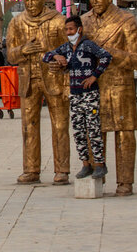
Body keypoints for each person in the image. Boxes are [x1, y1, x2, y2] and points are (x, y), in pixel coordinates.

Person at [81, 0, 137, 196]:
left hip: (119, 86)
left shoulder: (126, 20)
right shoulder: (83, 22)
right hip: (92, 86)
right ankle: (97, 180)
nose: (95, 2)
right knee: (93, 133)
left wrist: (109, 53)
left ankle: (125, 181)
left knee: (124, 134)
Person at [6, 0, 70, 185]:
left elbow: (71, 52)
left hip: (54, 79)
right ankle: (31, 169)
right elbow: (10, 56)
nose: (30, 4)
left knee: (60, 125)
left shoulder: (58, 21)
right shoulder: (16, 23)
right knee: (28, 126)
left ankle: (62, 169)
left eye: (34, 0)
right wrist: (23, 50)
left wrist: (61, 65)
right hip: (28, 80)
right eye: (26, 0)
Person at [43, 16, 112, 180]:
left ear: (79, 29)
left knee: (93, 129)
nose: (69, 32)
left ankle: (100, 164)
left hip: (90, 94)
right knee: (78, 130)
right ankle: (85, 164)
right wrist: (56, 57)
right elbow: (46, 56)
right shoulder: (66, 48)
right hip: (75, 94)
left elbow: (106, 56)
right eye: (66, 30)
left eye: (71, 29)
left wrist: (95, 76)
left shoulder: (88, 45)